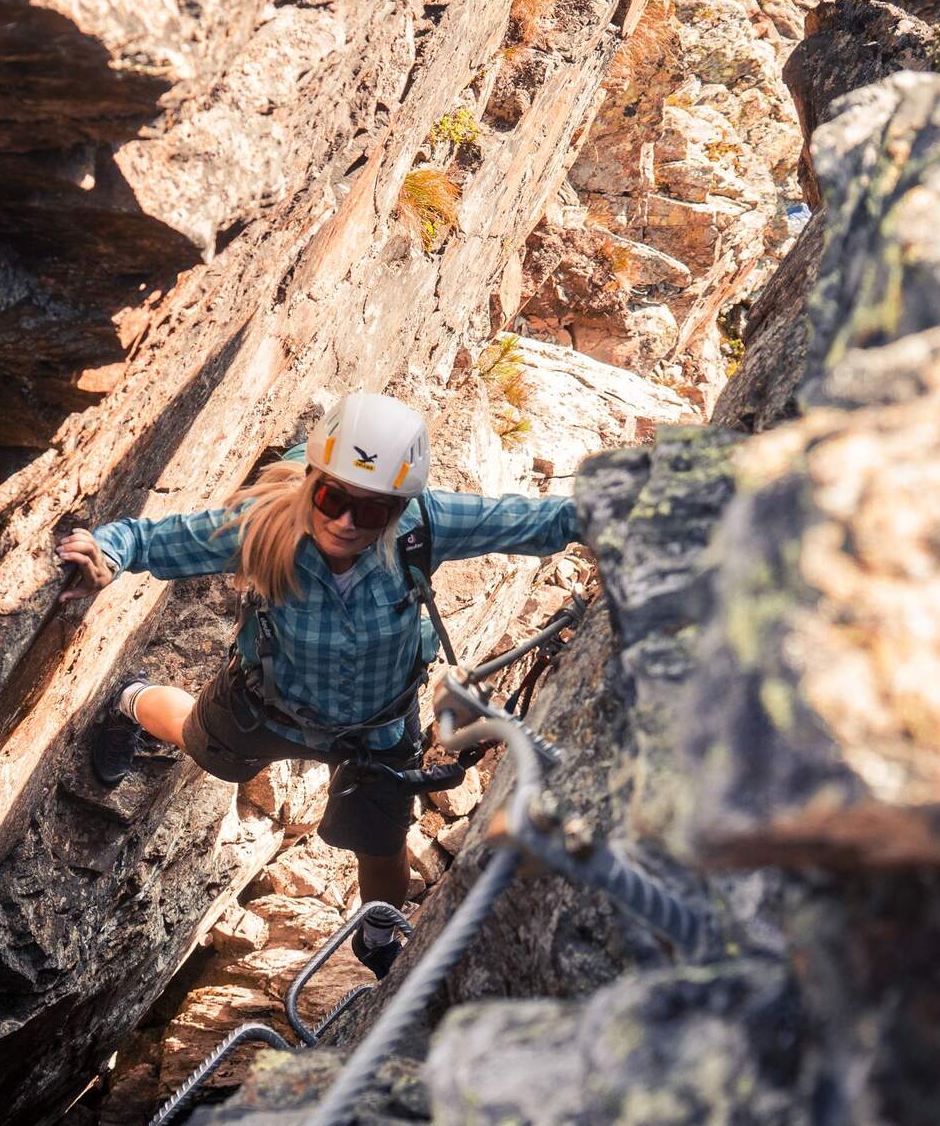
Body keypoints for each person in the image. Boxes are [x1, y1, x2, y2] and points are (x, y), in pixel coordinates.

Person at [55, 392, 579, 977]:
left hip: (376, 729)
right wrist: (106, 551)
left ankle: (378, 934)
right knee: (200, 742)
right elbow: (155, 539)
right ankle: (131, 699)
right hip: (267, 706)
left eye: (372, 511)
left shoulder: (423, 526)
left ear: (400, 508)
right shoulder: (264, 528)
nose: (346, 522)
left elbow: (537, 520)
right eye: (331, 497)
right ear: (311, 481)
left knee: (382, 844)